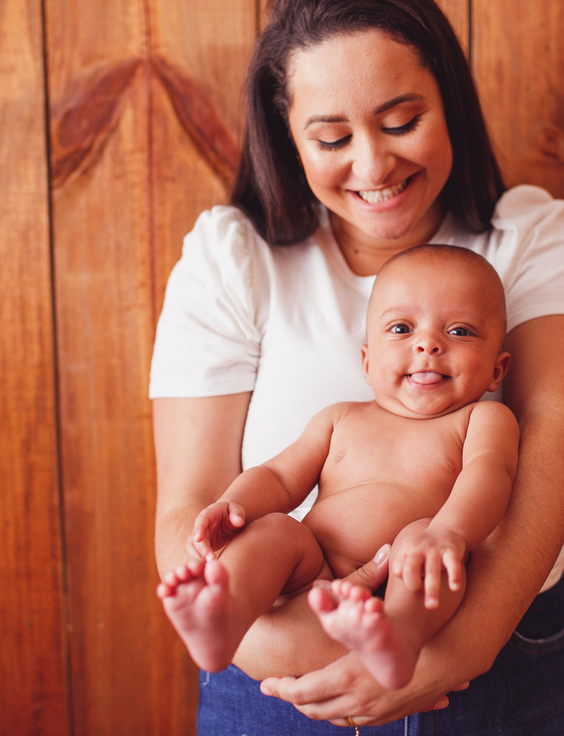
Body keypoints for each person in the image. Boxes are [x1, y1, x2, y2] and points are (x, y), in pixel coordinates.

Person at [151, 0, 564, 734]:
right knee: (264, 536)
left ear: (449, 103)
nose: (375, 165)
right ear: (289, 138)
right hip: (277, 670)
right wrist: (274, 621)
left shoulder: (526, 237)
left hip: (495, 652)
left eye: (402, 122)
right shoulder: (234, 257)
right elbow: (194, 507)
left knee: (415, 563)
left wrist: (449, 650)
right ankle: (217, 621)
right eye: (332, 137)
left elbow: (554, 451)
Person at [158, 245, 519, 691]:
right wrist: (234, 507)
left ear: (497, 371)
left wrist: (450, 531)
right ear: (367, 362)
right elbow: (278, 477)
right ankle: (224, 617)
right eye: (402, 328)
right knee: (274, 530)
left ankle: (398, 639)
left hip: (400, 580)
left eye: (460, 331)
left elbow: (490, 477)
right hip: (313, 567)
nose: (428, 344)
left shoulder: (482, 419)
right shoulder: (341, 418)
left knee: (423, 546)